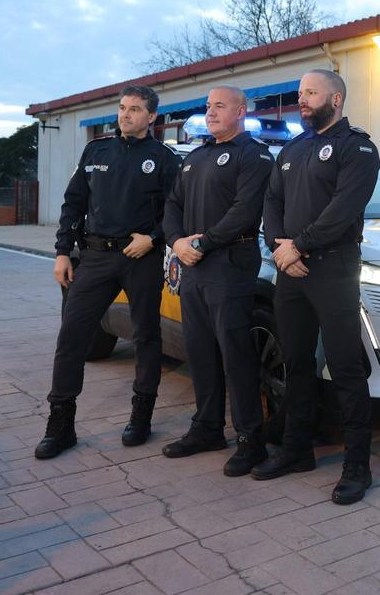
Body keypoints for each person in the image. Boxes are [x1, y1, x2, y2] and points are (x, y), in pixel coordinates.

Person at [252, 69, 380, 505]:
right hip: (292, 271)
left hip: (333, 269)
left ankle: (357, 465)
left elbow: (344, 209)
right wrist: (279, 246)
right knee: (296, 363)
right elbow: (272, 202)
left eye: (311, 93)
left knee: (345, 367)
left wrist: (299, 247)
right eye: (300, 93)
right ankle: (296, 450)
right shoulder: (291, 148)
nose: (301, 99)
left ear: (337, 99)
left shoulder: (357, 148)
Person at [36, 85, 180, 460]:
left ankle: (141, 417)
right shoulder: (96, 150)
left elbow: (176, 211)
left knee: (147, 337)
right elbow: (73, 203)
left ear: (152, 117)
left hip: (140, 258)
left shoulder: (164, 159)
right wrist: (62, 252)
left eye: (135, 109)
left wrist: (153, 237)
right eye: (122, 108)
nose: (126, 114)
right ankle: (61, 425)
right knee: (71, 336)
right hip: (96, 257)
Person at [160, 86, 274, 473]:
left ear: (241, 110)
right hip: (194, 266)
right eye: (208, 106)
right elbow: (172, 205)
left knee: (236, 355)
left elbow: (245, 211)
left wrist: (203, 243)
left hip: (229, 264)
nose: (210, 112)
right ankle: (207, 428)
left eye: (219, 106)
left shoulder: (253, 154)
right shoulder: (196, 156)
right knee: (201, 352)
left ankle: (250, 440)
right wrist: (177, 242)